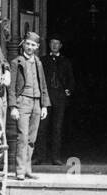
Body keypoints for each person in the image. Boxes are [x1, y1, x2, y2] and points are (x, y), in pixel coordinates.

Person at [7, 31, 49, 180]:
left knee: (32, 138)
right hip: (23, 102)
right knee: (22, 137)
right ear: (23, 44)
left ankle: (27, 169)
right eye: (28, 44)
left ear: (37, 47)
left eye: (33, 45)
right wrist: (13, 107)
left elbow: (42, 84)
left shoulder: (38, 62)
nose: (30, 47)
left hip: (36, 102)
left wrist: (44, 105)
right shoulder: (16, 62)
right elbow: (11, 87)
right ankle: (19, 170)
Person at [37, 36, 74, 165]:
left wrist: (68, 89)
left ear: (60, 45)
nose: (54, 45)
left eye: (57, 43)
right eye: (52, 43)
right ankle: (39, 157)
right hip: (46, 97)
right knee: (42, 128)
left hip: (59, 98)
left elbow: (70, 79)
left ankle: (55, 157)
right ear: (49, 45)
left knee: (57, 128)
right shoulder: (43, 60)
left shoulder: (65, 61)